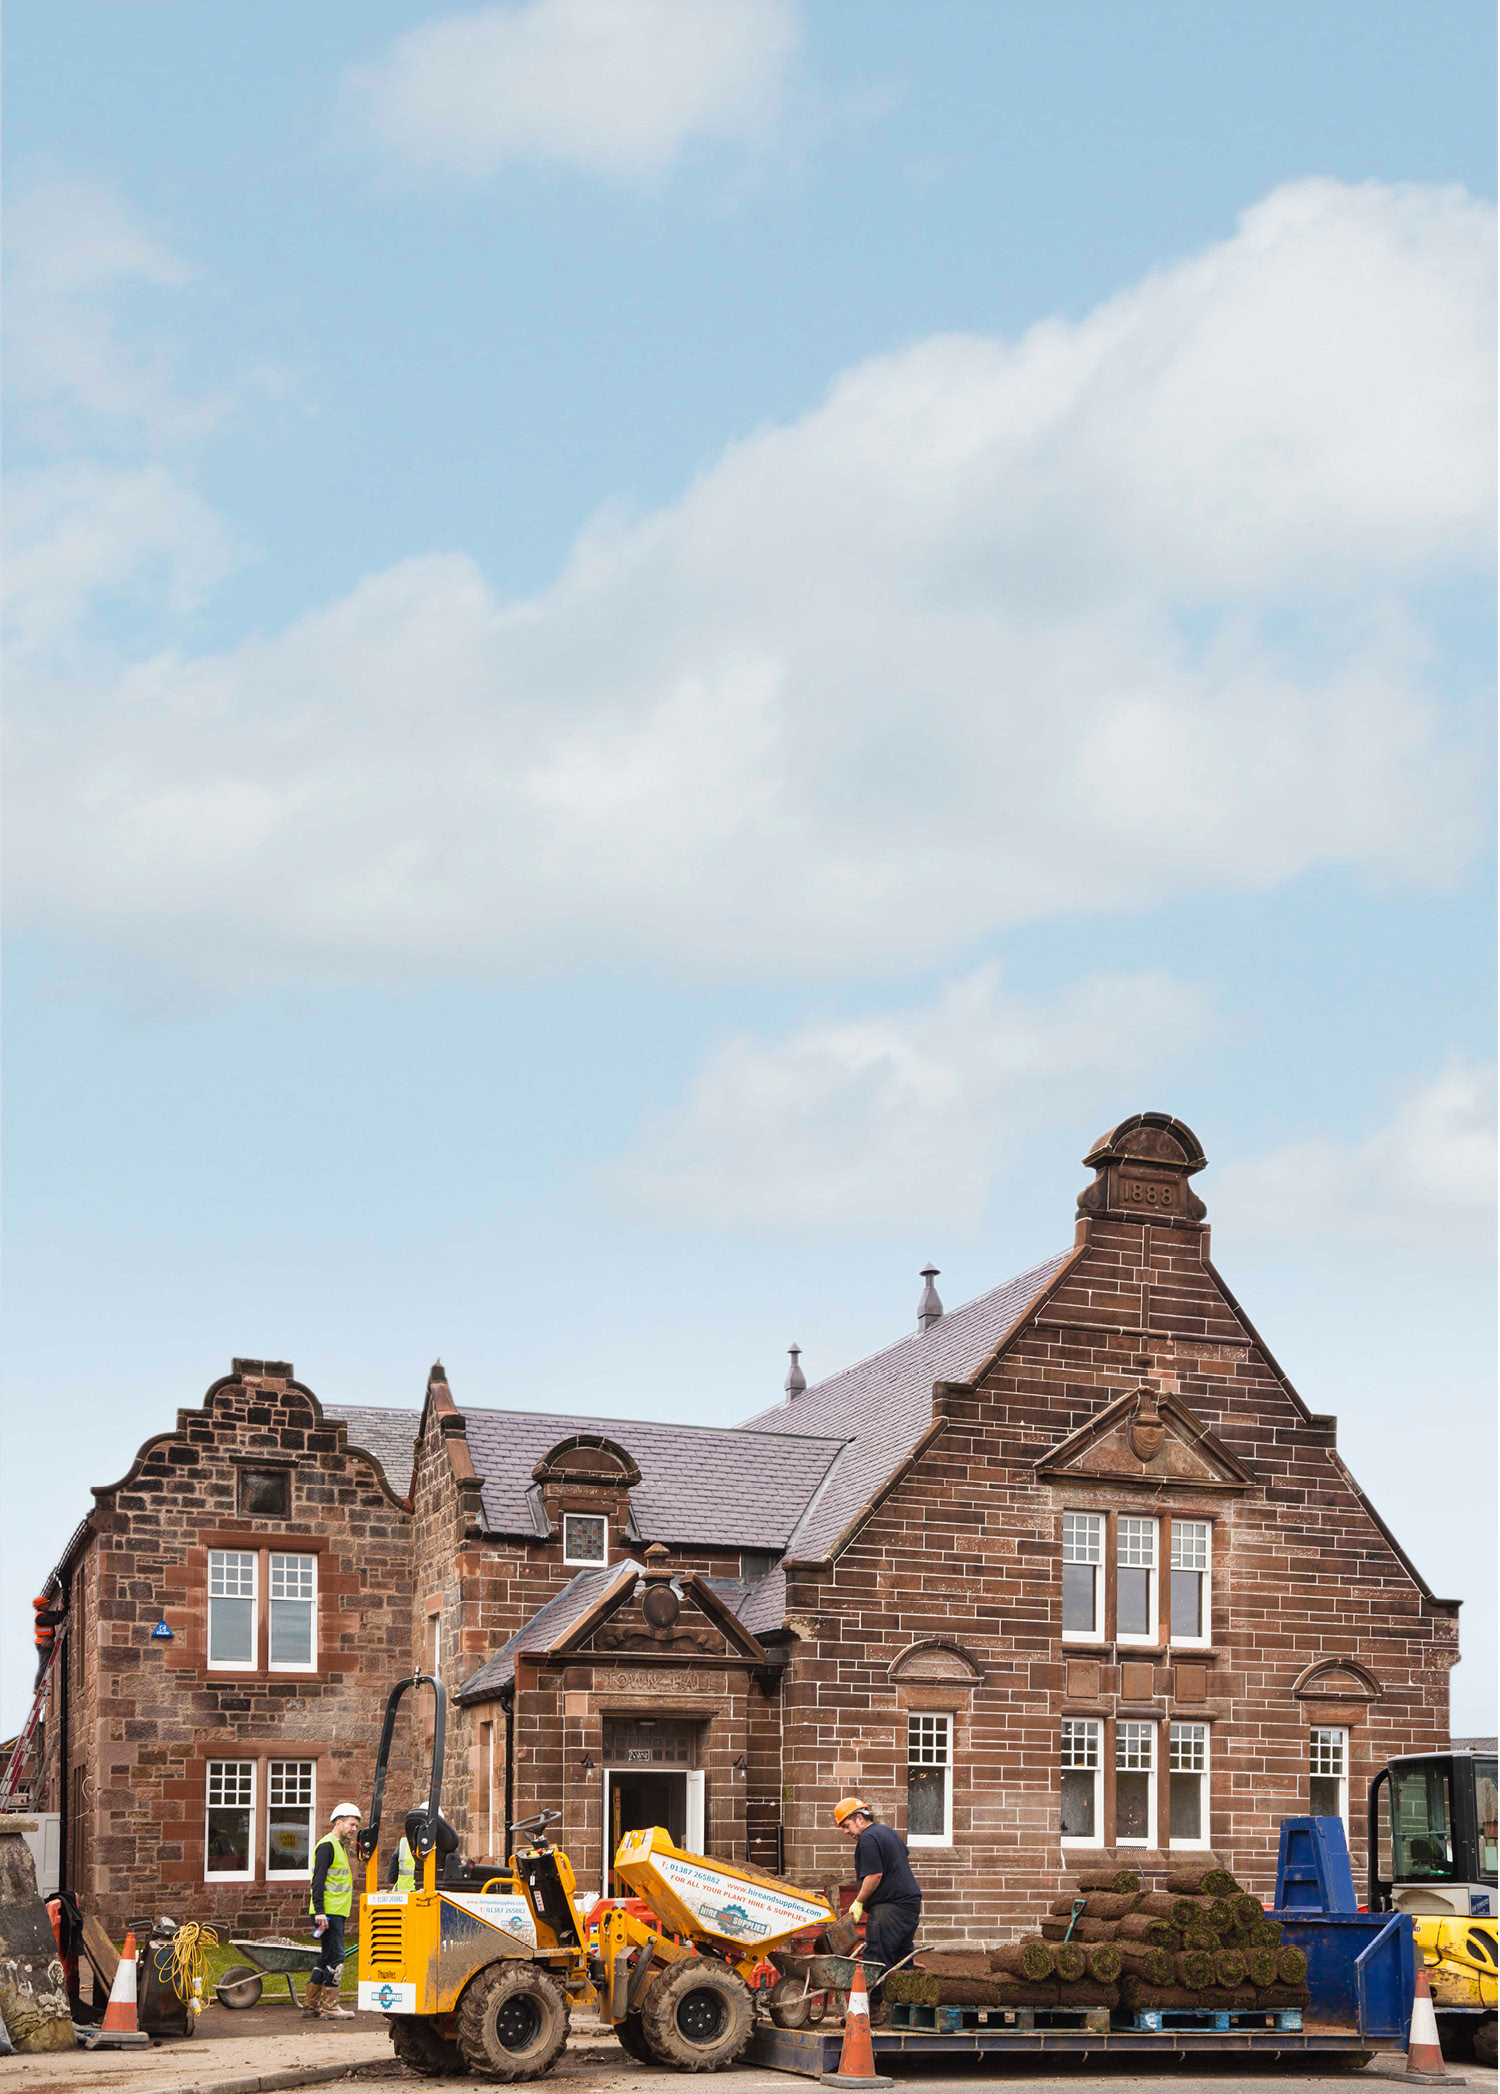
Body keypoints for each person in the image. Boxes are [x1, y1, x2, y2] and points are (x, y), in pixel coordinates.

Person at [833, 1795, 922, 2020]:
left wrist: (860, 1901)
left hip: (889, 1907)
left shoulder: (868, 1839)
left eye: (847, 1825)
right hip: (908, 1904)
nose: (846, 1831)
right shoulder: (888, 1833)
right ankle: (906, 2011)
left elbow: (874, 1875)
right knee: (902, 1958)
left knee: (875, 1958)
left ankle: (868, 2013)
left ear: (860, 1818)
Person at [305, 1802, 361, 2019]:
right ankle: (330, 2007)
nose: (354, 1829)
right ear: (339, 1822)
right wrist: (320, 1911)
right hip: (327, 1912)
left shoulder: (337, 1846)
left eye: (355, 1826)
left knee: (325, 1956)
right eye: (351, 1824)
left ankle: (311, 2006)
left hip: (333, 1911)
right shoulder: (328, 1846)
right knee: (337, 1956)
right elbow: (317, 1881)